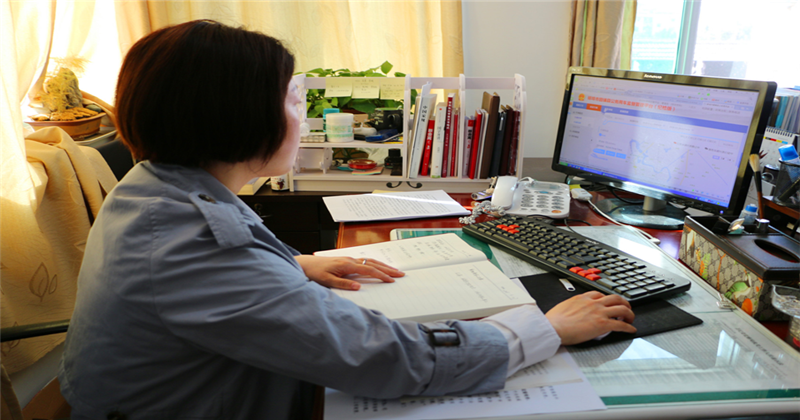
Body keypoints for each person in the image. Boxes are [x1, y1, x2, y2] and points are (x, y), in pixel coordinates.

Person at [58, 20, 636, 419]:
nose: (303, 117)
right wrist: (545, 329)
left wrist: (295, 265)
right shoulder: (194, 244)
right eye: (292, 100)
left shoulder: (154, 186)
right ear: (240, 117)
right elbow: (388, 360)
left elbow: (208, 278)